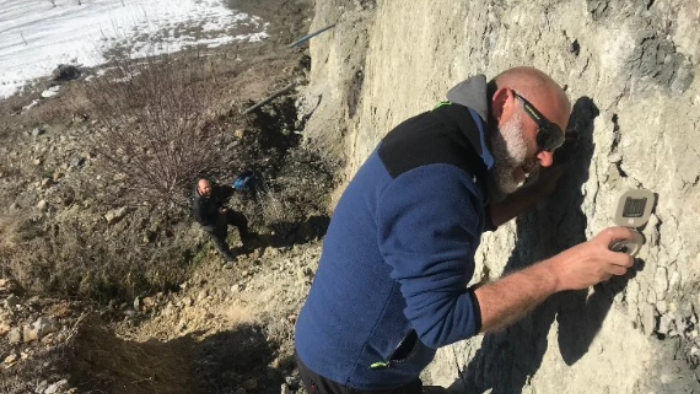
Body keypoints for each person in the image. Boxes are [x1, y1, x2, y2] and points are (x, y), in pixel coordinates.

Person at [293, 67, 636, 394]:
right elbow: (440, 320)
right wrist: (560, 272)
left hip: (347, 348)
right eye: (544, 135)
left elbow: (463, 216)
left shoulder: (447, 136)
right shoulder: (437, 180)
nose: (546, 158)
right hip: (348, 375)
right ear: (503, 103)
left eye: (555, 144)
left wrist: (535, 190)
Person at [191, 178, 250, 263]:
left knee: (241, 219)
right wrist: (217, 213)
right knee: (220, 239)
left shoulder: (212, 189)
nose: (208, 189)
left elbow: (222, 191)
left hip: (221, 211)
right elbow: (203, 221)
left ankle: (245, 238)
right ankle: (227, 254)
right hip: (211, 223)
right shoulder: (198, 205)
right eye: (205, 188)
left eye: (209, 186)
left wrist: (233, 187)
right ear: (199, 189)